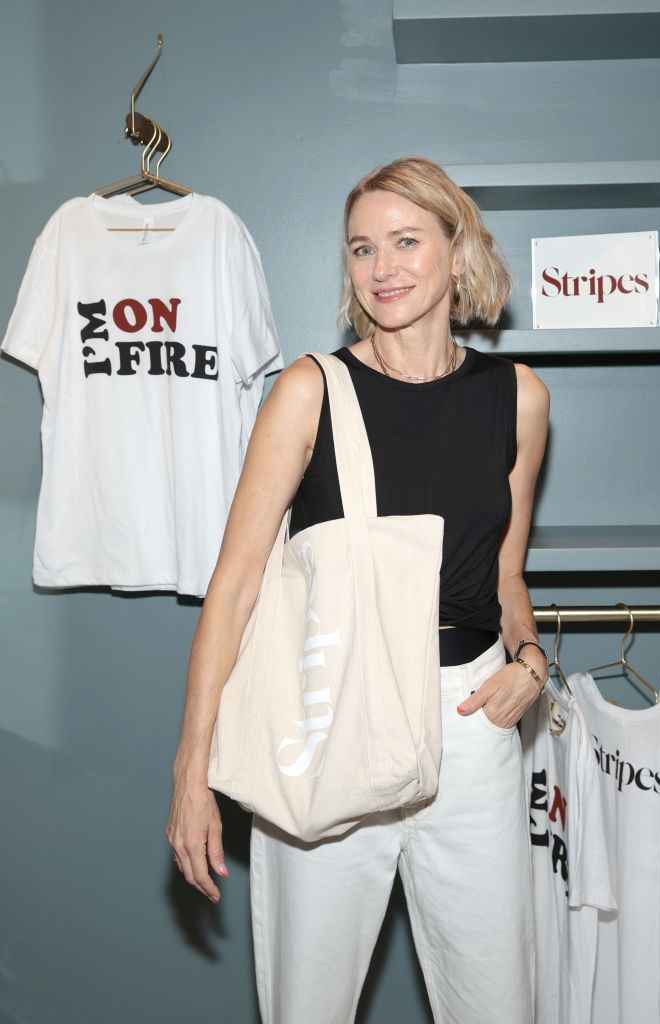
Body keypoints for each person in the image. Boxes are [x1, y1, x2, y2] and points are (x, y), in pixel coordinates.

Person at [167, 155, 550, 1023]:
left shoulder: (518, 397)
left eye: (407, 241)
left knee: (498, 1003)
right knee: (309, 1003)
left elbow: (505, 571)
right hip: (328, 713)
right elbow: (232, 589)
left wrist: (531, 659)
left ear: (458, 252)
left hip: (471, 723)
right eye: (361, 248)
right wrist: (194, 767)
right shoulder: (309, 391)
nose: (383, 268)